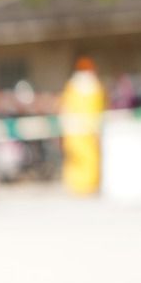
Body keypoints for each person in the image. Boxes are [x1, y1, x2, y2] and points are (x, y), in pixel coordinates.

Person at [60, 56, 106, 196]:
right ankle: (87, 187)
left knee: (76, 160)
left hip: (73, 130)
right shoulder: (94, 86)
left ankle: (77, 186)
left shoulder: (71, 86)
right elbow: (97, 109)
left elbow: (65, 108)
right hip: (87, 131)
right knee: (89, 160)